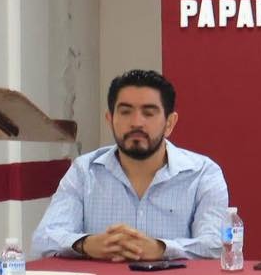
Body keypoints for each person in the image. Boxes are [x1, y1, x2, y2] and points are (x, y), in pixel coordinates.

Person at [32, 70, 230, 260]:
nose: (136, 122)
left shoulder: (203, 173)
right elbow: (43, 240)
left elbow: (216, 245)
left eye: (148, 113)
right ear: (110, 120)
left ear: (169, 123)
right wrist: (86, 244)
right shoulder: (84, 171)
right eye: (125, 112)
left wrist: (161, 249)